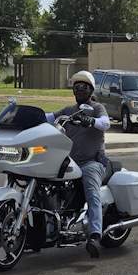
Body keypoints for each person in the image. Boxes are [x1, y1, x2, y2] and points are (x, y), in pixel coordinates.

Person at [46, 71, 110, 259]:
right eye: (76, 87)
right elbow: (48, 117)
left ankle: (95, 235)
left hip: (92, 162)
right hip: (70, 163)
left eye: (83, 87)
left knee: (92, 192)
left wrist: (90, 121)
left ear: (90, 90)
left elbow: (105, 123)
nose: (79, 90)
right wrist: (25, 115)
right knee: (46, 185)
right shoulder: (68, 110)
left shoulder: (97, 108)